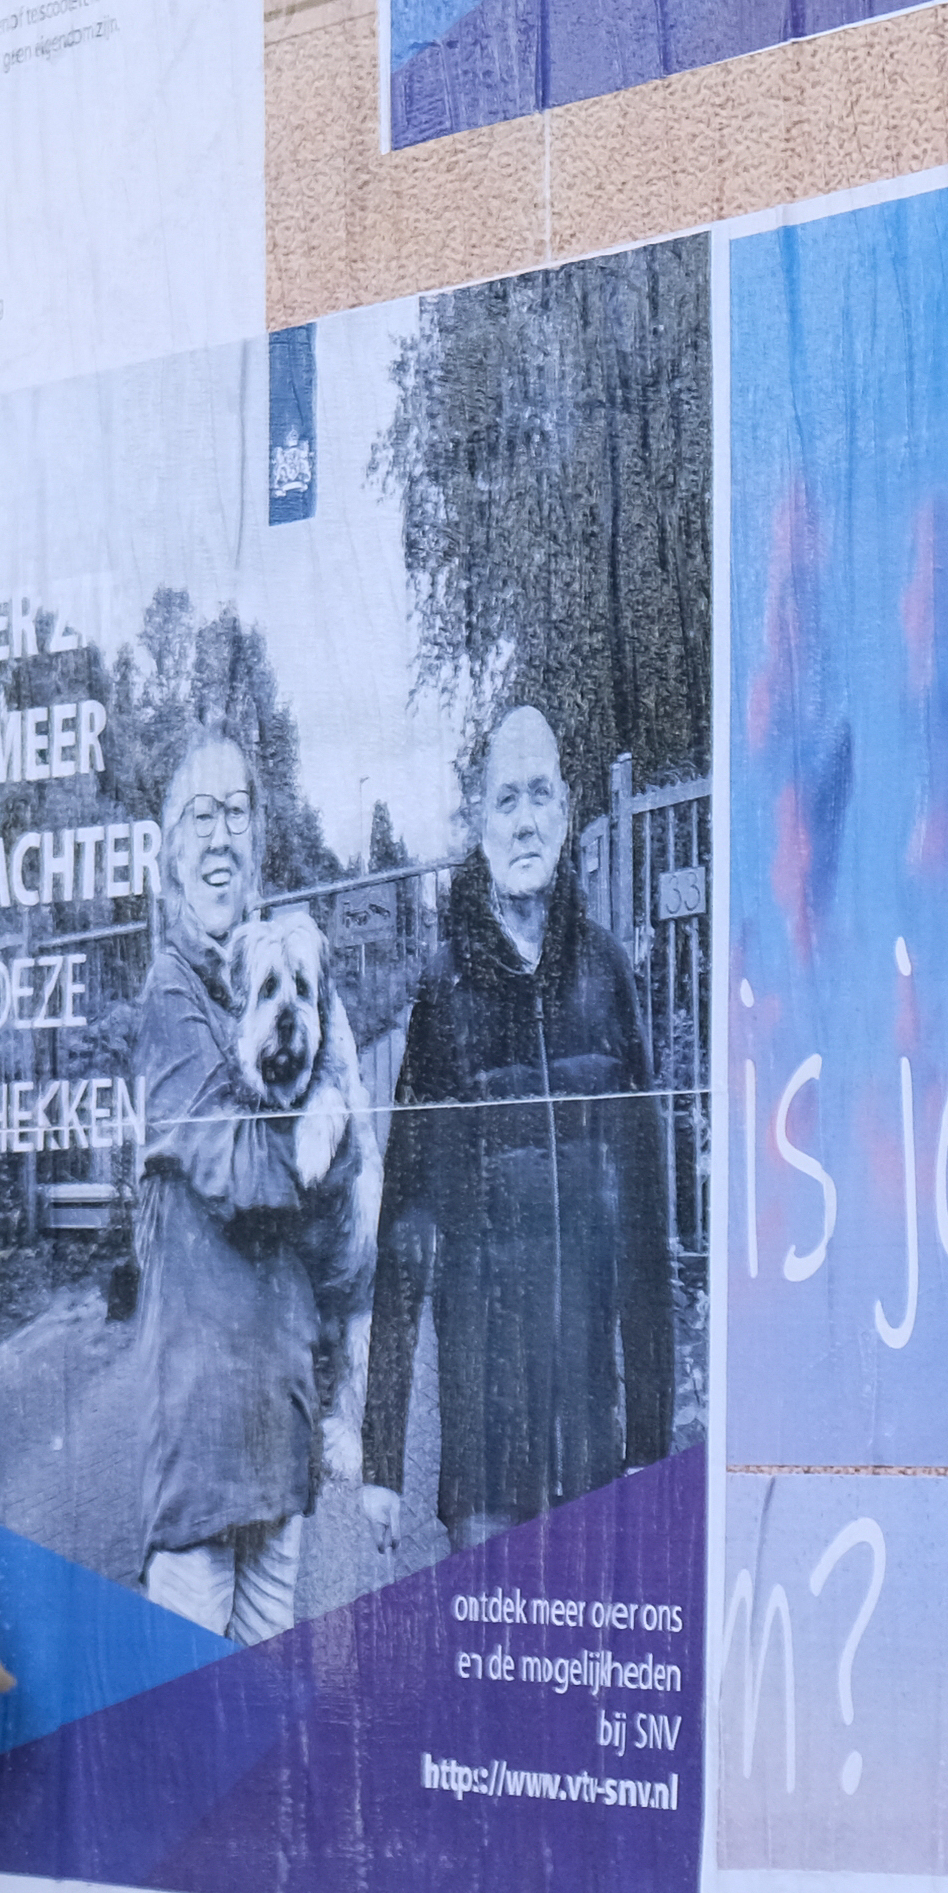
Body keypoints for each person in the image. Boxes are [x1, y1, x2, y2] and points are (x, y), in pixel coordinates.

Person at [356, 701, 675, 1541]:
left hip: (588, 1434)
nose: (525, 820)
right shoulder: (443, 991)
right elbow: (405, 1225)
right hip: (483, 1454)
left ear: (566, 812)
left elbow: (646, 1226)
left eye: (540, 795)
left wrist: (649, 1444)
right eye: (506, 799)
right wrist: (382, 1460)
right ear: (480, 821)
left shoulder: (608, 976)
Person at [117, 730, 364, 1638]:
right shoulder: (171, 994)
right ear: (170, 849)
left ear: (259, 837)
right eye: (199, 816)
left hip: (278, 1425)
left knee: (263, 1698)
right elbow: (247, 1172)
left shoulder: (280, 965)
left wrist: (338, 1137)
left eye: (236, 813)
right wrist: (334, 1131)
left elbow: (343, 1240)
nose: (220, 836)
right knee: (185, 1701)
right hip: (202, 1436)